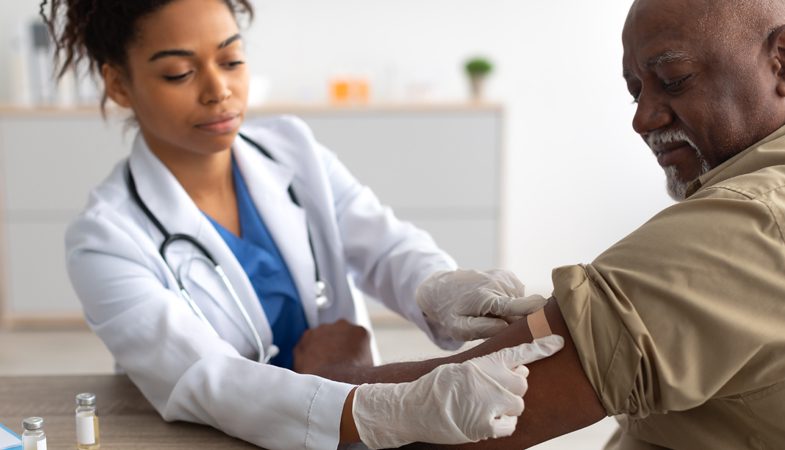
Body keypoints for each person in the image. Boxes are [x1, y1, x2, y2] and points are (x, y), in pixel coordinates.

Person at [45, 0, 566, 448]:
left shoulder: (291, 149)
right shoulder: (105, 240)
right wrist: (387, 409)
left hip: (347, 407)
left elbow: (381, 243)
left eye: (232, 59)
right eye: (180, 73)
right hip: (227, 436)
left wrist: (438, 288)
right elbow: (204, 379)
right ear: (118, 83)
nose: (218, 90)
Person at [303, 0, 785, 448]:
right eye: (635, 91)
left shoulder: (747, 222)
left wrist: (323, 376)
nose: (642, 118)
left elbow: (449, 419)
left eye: (674, 78)